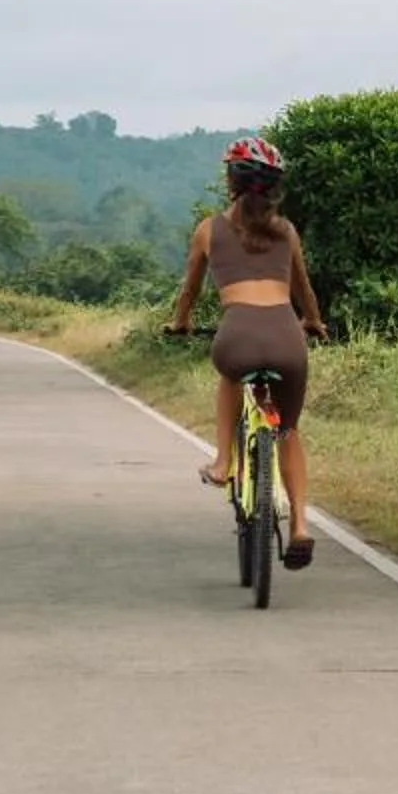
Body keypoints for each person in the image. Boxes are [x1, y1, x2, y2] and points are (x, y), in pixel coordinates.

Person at [165, 136, 327, 568]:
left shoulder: (208, 229)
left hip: (238, 332)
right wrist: (313, 322)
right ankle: (300, 528)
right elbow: (304, 291)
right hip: (287, 336)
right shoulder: (286, 230)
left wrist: (181, 322)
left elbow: (190, 290)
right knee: (288, 429)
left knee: (231, 374)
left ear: (230, 181)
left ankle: (223, 463)